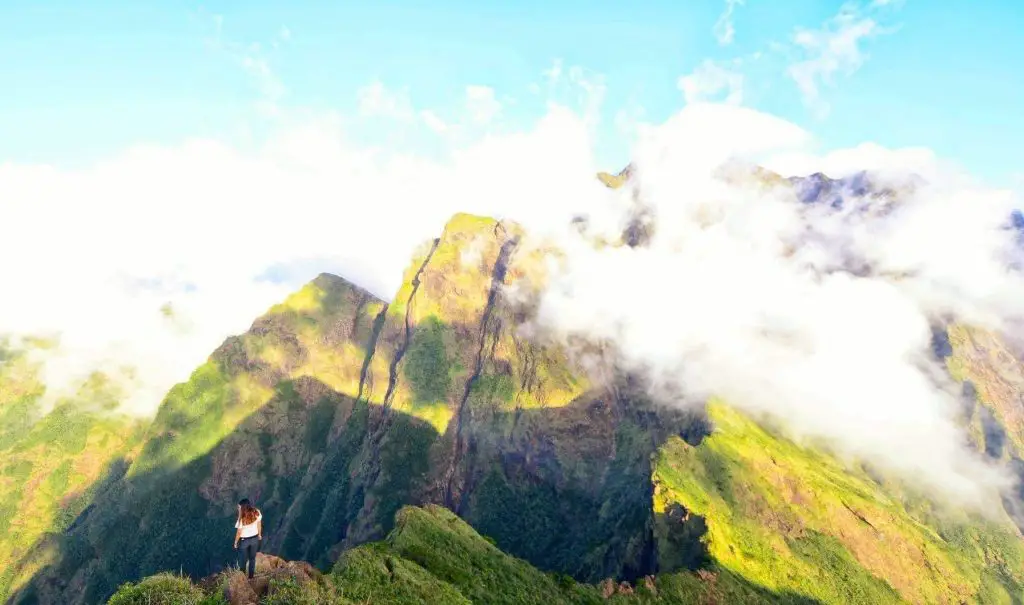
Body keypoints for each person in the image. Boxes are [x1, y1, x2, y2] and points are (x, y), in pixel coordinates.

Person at [233, 498, 262, 579]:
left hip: (244, 541)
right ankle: (251, 577)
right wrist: (259, 535)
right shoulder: (257, 512)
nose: (238, 508)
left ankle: (242, 578)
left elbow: (239, 532)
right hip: (255, 539)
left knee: (243, 560)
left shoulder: (241, 518)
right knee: (252, 559)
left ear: (243, 508)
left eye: (239, 507)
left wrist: (235, 542)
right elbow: (259, 525)